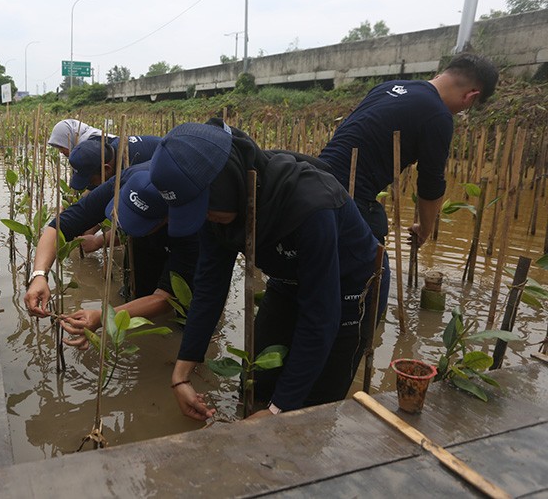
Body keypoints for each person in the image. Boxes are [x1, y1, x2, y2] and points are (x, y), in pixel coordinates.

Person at [148, 121, 384, 420]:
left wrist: (277, 411)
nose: (205, 219)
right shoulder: (217, 213)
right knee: (256, 384)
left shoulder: (311, 205)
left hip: (348, 292)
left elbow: (321, 315)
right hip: (287, 281)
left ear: (228, 184)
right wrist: (182, 372)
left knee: (311, 412)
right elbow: (210, 285)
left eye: (206, 210)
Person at [318, 52, 499, 245]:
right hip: (344, 198)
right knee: (376, 270)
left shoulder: (386, 87)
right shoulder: (438, 115)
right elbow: (431, 182)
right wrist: (424, 228)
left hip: (313, 177)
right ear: (471, 96)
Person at [24, 163, 198, 346]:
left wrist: (104, 318)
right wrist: (39, 275)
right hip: (151, 220)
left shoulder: (194, 225)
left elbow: (166, 298)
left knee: (188, 312)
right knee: (139, 289)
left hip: (183, 231)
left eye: (136, 224)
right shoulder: (123, 182)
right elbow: (59, 227)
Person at [68, 135, 162, 190]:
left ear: (106, 169)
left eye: (91, 182)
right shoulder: (113, 153)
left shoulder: (129, 166)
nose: (91, 186)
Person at [47, 119, 114, 157]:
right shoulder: (82, 144)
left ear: (70, 139)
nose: (61, 152)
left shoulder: (90, 147)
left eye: (61, 146)